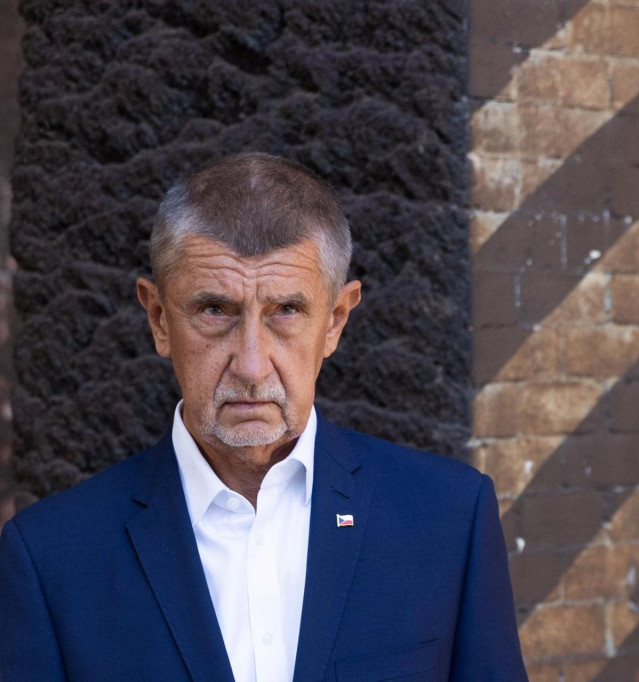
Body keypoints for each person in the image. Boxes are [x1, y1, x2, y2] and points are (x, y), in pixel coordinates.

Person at [0, 153, 527, 681]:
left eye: (286, 311)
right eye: (215, 310)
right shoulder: (50, 558)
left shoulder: (449, 518)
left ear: (335, 321)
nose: (251, 366)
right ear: (159, 318)